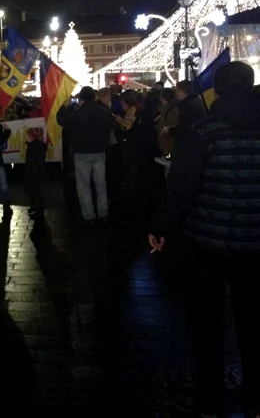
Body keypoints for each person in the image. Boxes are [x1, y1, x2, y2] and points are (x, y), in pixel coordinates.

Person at [149, 62, 260, 418]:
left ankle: (210, 400)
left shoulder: (204, 132)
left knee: (207, 326)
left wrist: (161, 227)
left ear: (219, 89)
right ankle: (258, 400)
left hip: (207, 243)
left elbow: (182, 188)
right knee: (254, 323)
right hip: (255, 244)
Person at [57, 86, 112, 225]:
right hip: (99, 151)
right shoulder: (103, 111)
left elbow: (62, 120)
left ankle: (89, 216)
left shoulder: (78, 113)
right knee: (101, 184)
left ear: (81, 99)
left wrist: (65, 107)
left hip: (82, 152)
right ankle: (103, 213)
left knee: (83, 186)